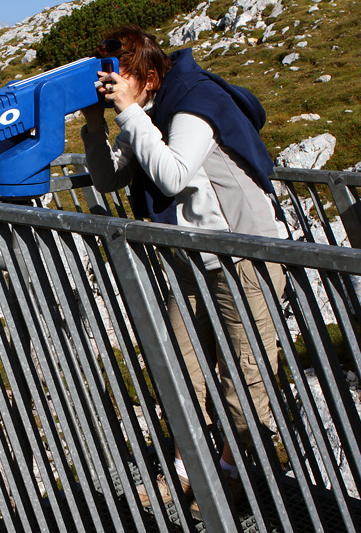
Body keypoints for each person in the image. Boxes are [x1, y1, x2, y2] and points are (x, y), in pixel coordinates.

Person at [79, 24, 286, 510]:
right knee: (182, 367)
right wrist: (95, 123)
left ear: (148, 77)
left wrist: (129, 113)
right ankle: (190, 467)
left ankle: (242, 474)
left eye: (120, 73)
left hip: (243, 255)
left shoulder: (192, 100)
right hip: (191, 259)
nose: (111, 83)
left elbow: (172, 176)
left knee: (244, 373)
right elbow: (109, 178)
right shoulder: (145, 113)